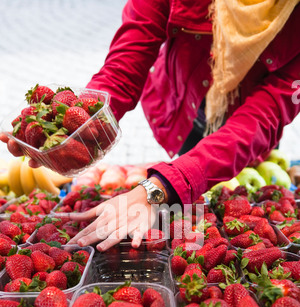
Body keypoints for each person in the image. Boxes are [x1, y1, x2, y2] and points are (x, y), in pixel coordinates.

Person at [1, 0, 300, 252]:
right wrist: (84, 126)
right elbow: (126, 62)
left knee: (198, 193)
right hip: (180, 109)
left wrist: (157, 190)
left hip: (242, 127)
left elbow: (261, 119)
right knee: (187, 193)